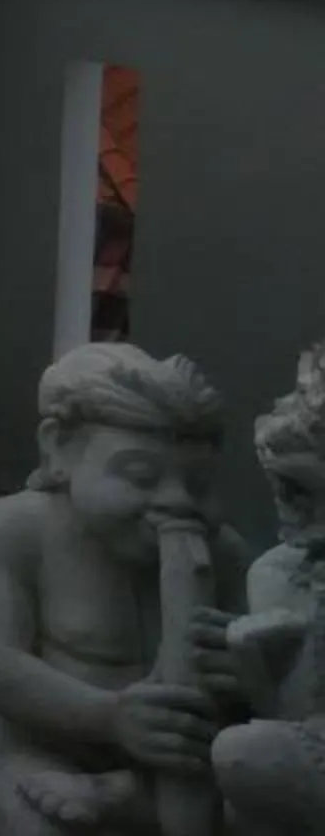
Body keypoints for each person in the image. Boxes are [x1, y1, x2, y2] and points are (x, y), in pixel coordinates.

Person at [0, 343, 255, 833]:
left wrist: (242, 672)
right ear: (59, 448)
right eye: (140, 475)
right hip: (32, 745)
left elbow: (250, 681)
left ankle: (122, 798)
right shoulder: (12, 530)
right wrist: (110, 718)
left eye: (196, 483)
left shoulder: (225, 555)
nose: (175, 502)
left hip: (167, 769)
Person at [214, 347, 325, 834]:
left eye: (301, 491)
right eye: (282, 488)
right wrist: (253, 661)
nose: (289, 510)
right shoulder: (278, 572)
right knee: (244, 764)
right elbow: (284, 714)